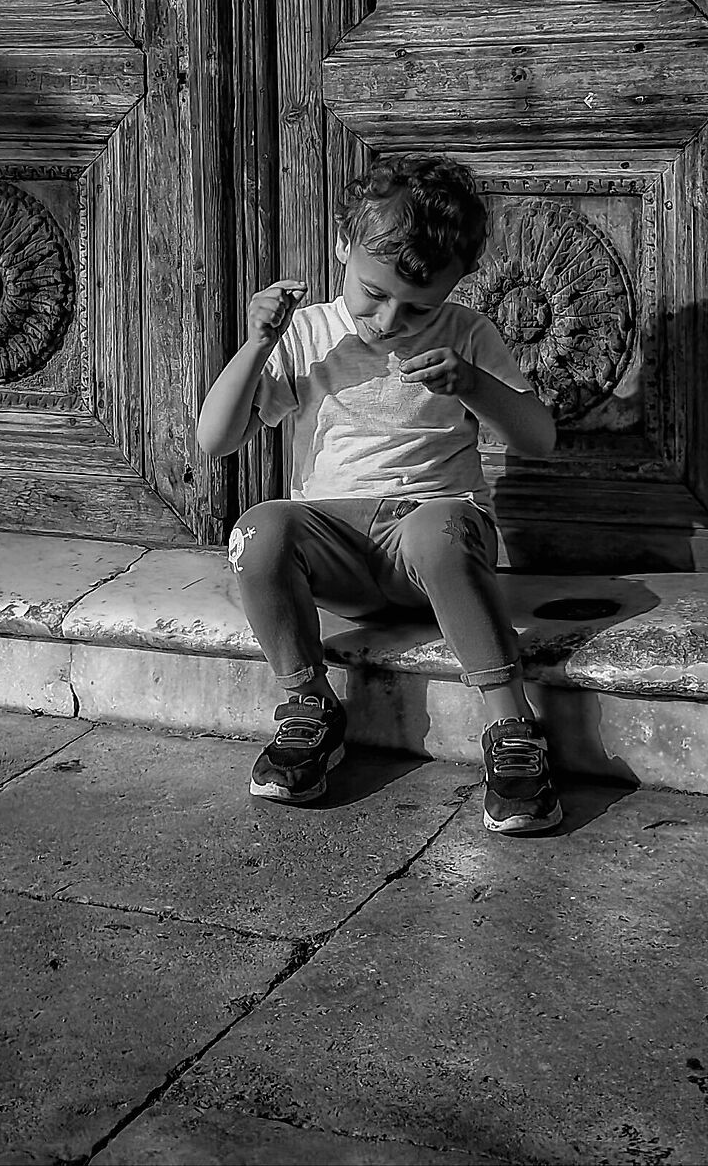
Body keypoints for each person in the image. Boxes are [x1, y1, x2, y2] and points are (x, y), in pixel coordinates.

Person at [195, 155, 563, 833]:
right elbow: (214, 438)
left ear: (459, 282)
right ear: (343, 244)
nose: (391, 318)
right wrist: (255, 345)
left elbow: (539, 436)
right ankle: (309, 706)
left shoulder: (466, 334)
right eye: (373, 291)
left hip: (435, 539)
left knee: (439, 531)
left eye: (418, 304)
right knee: (258, 529)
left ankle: (510, 724)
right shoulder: (306, 333)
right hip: (338, 549)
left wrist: (472, 385)